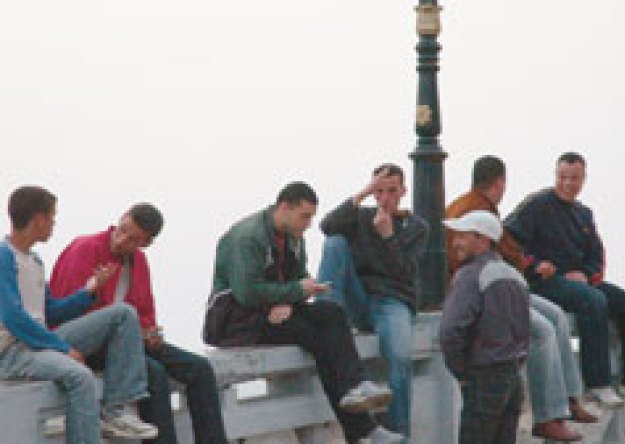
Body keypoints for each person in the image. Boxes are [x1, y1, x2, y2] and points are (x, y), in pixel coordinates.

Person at [208, 181, 402, 444]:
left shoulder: (293, 237)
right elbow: (246, 292)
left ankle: (356, 386)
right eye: (304, 216)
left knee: (331, 313)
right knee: (315, 339)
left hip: (276, 309)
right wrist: (293, 293)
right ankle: (362, 431)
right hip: (237, 319)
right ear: (284, 207)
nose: (308, 224)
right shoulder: (248, 237)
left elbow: (298, 277)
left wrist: (294, 296)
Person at [49, 203, 229, 444]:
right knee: (154, 373)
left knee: (199, 368)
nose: (122, 240)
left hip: (130, 340)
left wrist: (150, 333)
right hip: (89, 344)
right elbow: (66, 312)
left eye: (134, 239)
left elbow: (145, 311)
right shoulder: (86, 248)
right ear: (121, 217)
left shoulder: (139, 262)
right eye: (122, 230)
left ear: (146, 243)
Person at [446, 155, 592, 441]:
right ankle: (549, 415)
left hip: (507, 286)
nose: (457, 240)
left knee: (556, 316)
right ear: (500, 182)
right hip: (493, 298)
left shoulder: (476, 207)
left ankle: (568, 399)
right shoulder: (476, 211)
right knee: (543, 330)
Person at [505, 152, 625, 407]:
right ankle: (597, 384)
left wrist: (587, 275)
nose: (568, 183)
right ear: (556, 176)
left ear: (583, 179)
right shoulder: (536, 205)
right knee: (593, 301)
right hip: (546, 281)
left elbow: (596, 254)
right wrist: (534, 265)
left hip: (581, 280)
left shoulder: (583, 214)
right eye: (563, 177)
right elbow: (508, 241)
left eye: (574, 178)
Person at [0, 186, 157, 443]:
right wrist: (61, 347)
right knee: (80, 376)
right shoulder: (4, 257)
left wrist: (88, 291)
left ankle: (115, 411)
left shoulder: (34, 261)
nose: (54, 224)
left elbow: (51, 312)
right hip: (13, 352)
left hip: (37, 344)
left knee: (123, 314)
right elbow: (13, 317)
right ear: (38, 219)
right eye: (52, 217)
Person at [318, 164, 428, 439]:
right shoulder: (361, 217)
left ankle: (398, 434)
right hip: (361, 298)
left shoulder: (416, 227)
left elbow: (404, 273)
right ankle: (325, 313)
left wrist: (388, 236)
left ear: (403, 191)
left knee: (399, 358)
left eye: (392, 191)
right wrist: (363, 193)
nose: (385, 198)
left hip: (393, 300)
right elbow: (326, 226)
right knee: (335, 243)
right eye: (379, 191)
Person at [440, 210, 531, 444]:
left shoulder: (470, 275)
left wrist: (461, 373)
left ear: (483, 239)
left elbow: (451, 330)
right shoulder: (515, 276)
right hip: (513, 376)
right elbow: (525, 331)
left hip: (483, 375)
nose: (455, 242)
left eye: (463, 236)